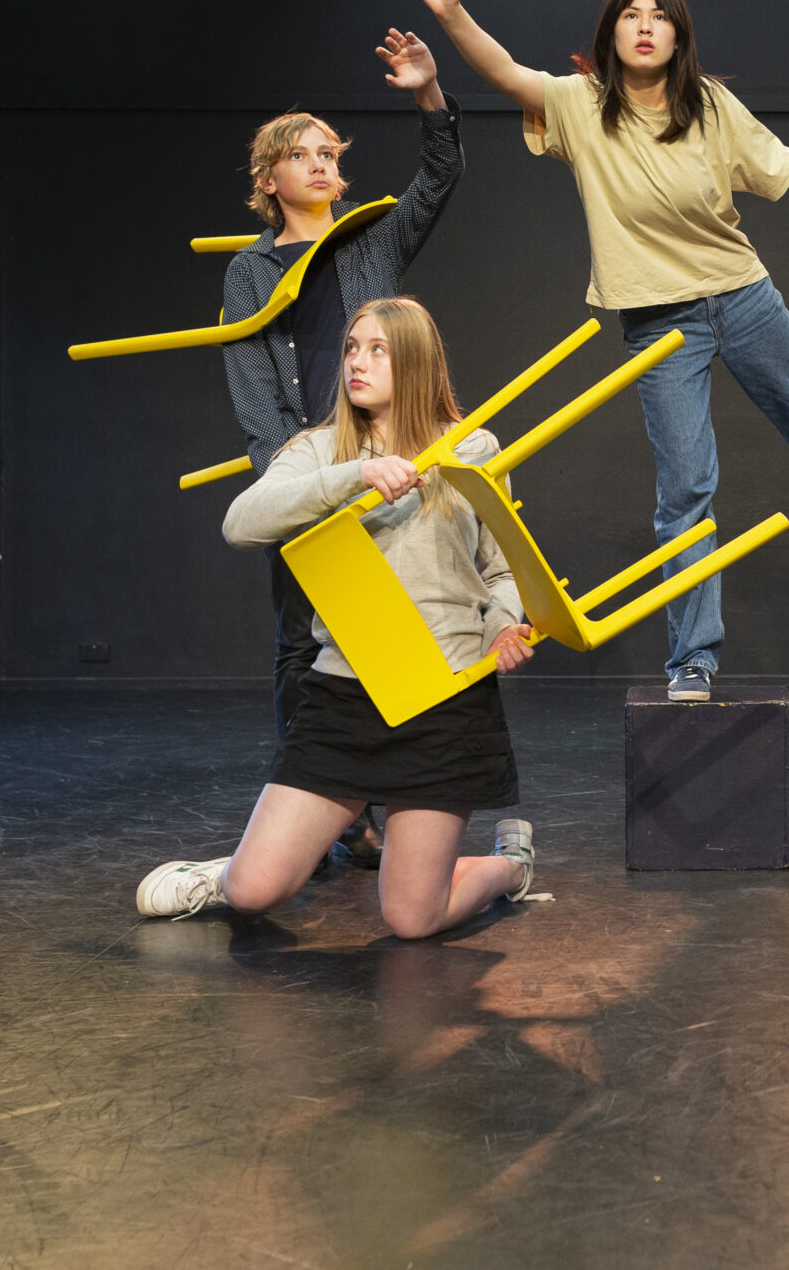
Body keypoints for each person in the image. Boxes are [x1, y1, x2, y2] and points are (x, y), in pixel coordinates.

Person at [399, 0, 789, 701]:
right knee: (685, 491)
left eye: (660, 16)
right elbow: (504, 71)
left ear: (680, 36)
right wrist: (454, 14)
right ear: (612, 33)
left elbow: (779, 163)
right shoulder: (581, 106)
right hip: (661, 323)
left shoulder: (711, 106)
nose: (646, 25)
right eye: (631, 14)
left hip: (742, 294)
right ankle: (694, 657)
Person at [139, 298, 545, 933]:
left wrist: (501, 623)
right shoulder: (320, 448)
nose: (356, 362)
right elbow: (241, 523)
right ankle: (223, 874)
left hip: (448, 694)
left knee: (413, 918)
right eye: (353, 347)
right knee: (253, 891)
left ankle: (509, 867)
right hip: (349, 692)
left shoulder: (475, 445)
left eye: (377, 349)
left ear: (415, 360)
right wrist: (355, 474)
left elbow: (500, 571)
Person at [222, 30, 463, 864]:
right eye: (303, 154)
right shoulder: (249, 275)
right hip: (312, 474)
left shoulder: (373, 241)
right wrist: (293, 488)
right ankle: (335, 815)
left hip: (392, 461)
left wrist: (428, 91)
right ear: (269, 180)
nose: (322, 165)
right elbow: (255, 390)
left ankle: (402, 805)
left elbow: (440, 177)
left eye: (330, 153)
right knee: (302, 644)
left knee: (395, 628)